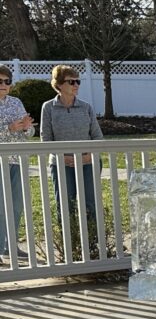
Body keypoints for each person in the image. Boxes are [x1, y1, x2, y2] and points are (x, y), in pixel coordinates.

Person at [40, 64, 103, 233]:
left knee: (90, 203)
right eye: (71, 82)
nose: (76, 85)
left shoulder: (86, 107)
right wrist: (64, 158)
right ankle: (69, 243)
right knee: (65, 204)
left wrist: (86, 158)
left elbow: (98, 137)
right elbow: (46, 140)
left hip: (88, 162)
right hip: (61, 165)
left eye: (77, 81)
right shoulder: (48, 108)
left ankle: (93, 240)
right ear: (59, 84)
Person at [0, 66, 35, 265]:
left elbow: (28, 133)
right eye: (0, 81)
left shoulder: (16, 102)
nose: (4, 85)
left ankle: (10, 246)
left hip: (18, 160)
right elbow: (9, 130)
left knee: (16, 206)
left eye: (7, 81)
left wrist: (27, 127)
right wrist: (9, 128)